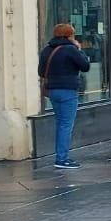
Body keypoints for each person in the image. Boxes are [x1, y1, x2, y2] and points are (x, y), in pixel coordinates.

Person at [37, 22, 91, 169]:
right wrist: (79, 49)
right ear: (70, 35)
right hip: (68, 90)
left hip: (52, 91)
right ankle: (62, 158)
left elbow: (41, 71)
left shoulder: (47, 50)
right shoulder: (71, 49)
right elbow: (85, 66)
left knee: (61, 123)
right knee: (66, 124)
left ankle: (61, 156)